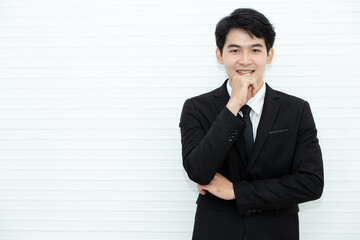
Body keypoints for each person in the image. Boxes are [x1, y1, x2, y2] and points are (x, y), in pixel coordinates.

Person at [179, 8, 324, 240]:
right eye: (234, 50)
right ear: (219, 55)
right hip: (216, 231)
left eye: (255, 50)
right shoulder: (196, 108)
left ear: (269, 55)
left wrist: (236, 191)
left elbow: (311, 183)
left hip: (276, 232)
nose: (245, 60)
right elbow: (197, 170)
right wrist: (233, 106)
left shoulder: (296, 110)